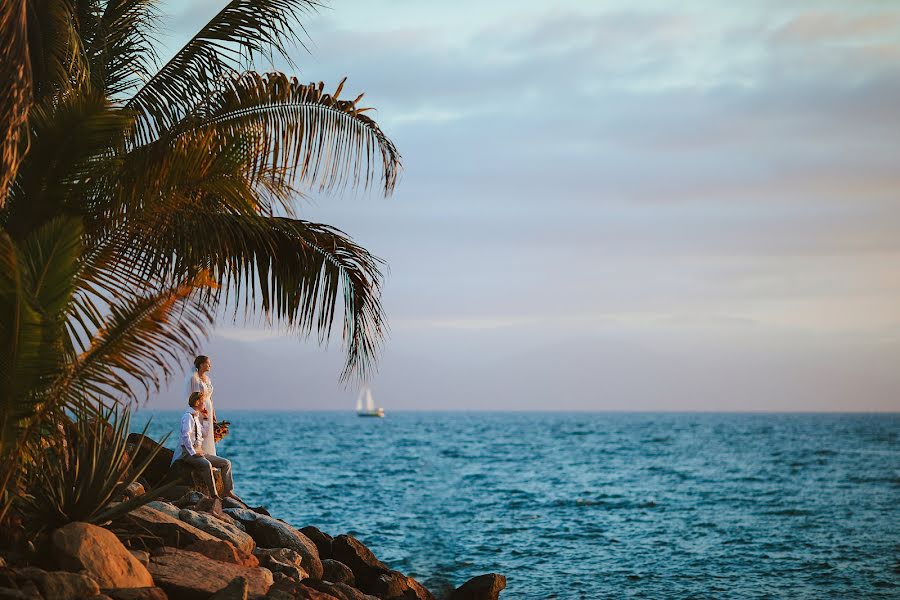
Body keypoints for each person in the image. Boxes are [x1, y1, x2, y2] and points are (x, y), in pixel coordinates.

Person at [175, 391, 240, 501]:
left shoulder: (196, 417)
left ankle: (228, 491)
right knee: (206, 464)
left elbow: (204, 434)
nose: (204, 405)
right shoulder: (187, 417)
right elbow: (185, 436)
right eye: (203, 402)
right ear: (197, 402)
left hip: (199, 451)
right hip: (188, 452)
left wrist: (205, 418)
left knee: (226, 463)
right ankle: (214, 495)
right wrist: (193, 452)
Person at [185, 355, 216, 456]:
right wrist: (197, 410)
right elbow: (192, 396)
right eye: (208, 363)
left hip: (208, 409)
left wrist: (213, 413)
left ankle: (208, 455)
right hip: (199, 408)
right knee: (198, 431)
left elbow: (210, 397)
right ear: (202, 364)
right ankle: (197, 453)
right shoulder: (194, 379)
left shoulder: (208, 379)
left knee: (207, 433)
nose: (210, 365)